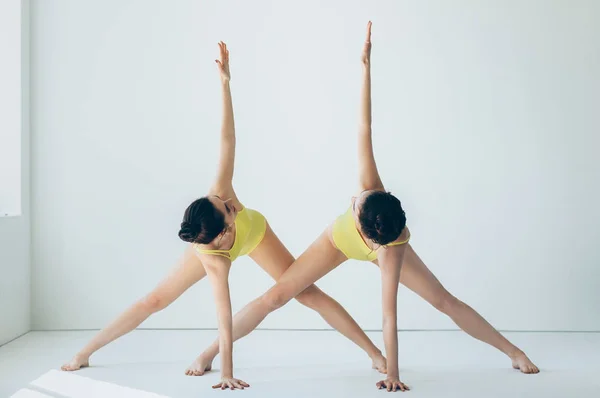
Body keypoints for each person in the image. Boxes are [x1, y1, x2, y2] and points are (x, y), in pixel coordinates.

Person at [191, 22, 539, 393]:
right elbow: (364, 126)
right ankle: (212, 352)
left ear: (371, 237)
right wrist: (365, 69)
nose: (353, 200)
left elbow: (389, 314)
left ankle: (512, 351)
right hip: (336, 242)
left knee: (443, 301)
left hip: (378, 247)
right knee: (277, 296)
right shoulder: (371, 188)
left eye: (354, 207)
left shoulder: (393, 249)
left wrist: (394, 374)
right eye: (358, 201)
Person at [61, 41, 387, 391]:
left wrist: (225, 84)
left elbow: (227, 139)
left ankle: (374, 354)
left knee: (306, 293)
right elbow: (223, 316)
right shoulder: (213, 257)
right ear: (219, 234)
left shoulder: (218, 193)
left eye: (224, 202)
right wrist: (228, 373)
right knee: (155, 300)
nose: (230, 202)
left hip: (256, 233)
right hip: (225, 249)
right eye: (228, 209)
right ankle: (87, 351)